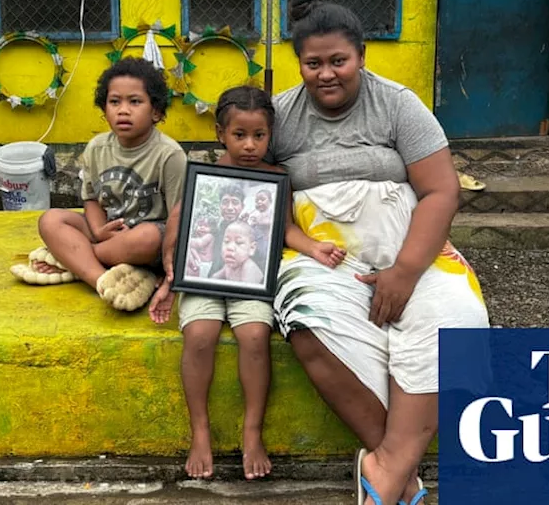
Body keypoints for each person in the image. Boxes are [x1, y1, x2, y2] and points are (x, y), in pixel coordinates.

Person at [270, 0, 490, 505]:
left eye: (339, 61)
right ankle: (395, 463)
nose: (327, 74)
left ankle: (386, 471)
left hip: (411, 253)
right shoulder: (279, 116)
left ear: (362, 57)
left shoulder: (397, 104)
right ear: (299, 65)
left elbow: (441, 190)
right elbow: (248, 183)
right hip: (320, 258)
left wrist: (406, 271)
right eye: (313, 63)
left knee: (454, 316)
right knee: (307, 323)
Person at [148, 85, 346, 482]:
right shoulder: (203, 178)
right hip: (204, 277)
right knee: (199, 337)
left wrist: (314, 248)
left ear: (271, 136)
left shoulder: (276, 179)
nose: (251, 145)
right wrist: (169, 277)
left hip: (251, 282)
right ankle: (200, 431)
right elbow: (179, 224)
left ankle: (251, 432)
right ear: (220, 133)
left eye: (260, 136)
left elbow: (285, 228)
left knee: (255, 337)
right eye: (240, 135)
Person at [27, 58, 187, 312]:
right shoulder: (97, 147)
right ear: (104, 109)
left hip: (145, 242)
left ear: (156, 111)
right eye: (115, 102)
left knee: (148, 237)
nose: (123, 110)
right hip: (108, 230)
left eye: (135, 102)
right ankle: (99, 279)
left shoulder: (169, 155)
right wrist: (100, 230)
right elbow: (90, 198)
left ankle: (74, 258)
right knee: (51, 220)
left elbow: (179, 218)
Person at [210, 220, 265, 285]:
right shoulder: (228, 267)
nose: (230, 247)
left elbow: (247, 292)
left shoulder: (248, 267)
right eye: (226, 241)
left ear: (251, 248)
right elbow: (213, 278)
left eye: (239, 243)